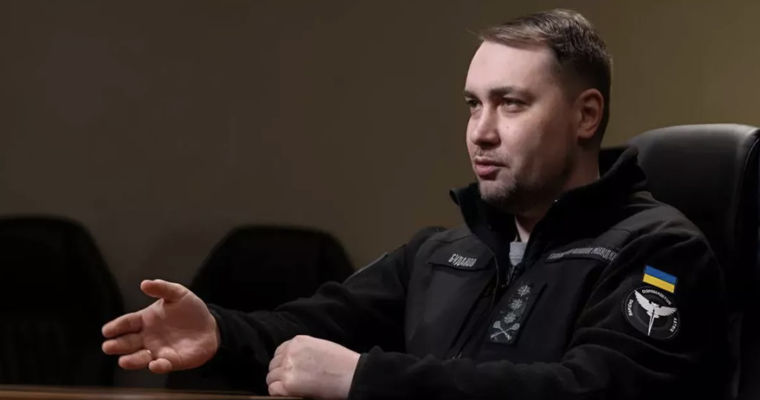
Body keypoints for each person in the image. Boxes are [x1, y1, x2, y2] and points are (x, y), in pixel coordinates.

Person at [102, 9, 729, 400]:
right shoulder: (442, 252)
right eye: (473, 105)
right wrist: (219, 332)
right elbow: (312, 329)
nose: (481, 131)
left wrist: (365, 380)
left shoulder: (658, 250)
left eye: (510, 104)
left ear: (586, 115)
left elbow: (593, 390)